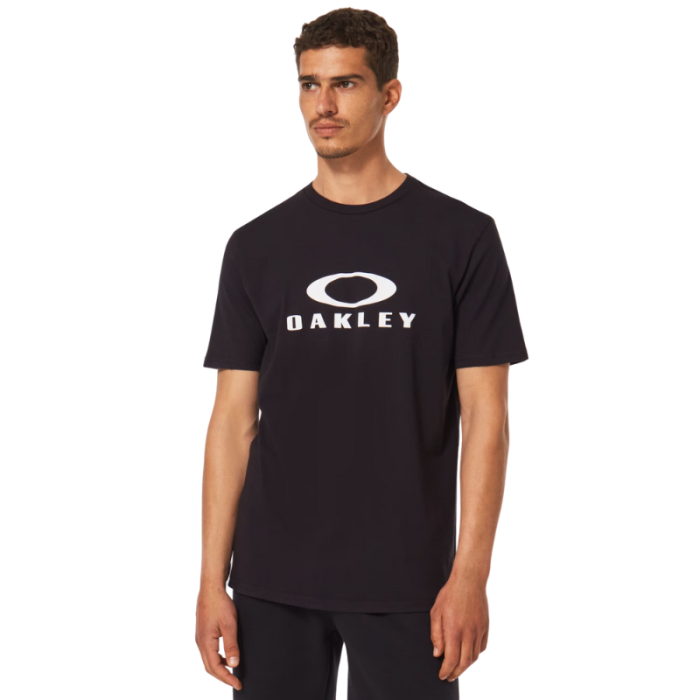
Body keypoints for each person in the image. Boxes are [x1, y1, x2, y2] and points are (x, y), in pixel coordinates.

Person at [195, 8, 528, 699]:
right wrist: (210, 581)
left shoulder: (462, 238)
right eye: (309, 84)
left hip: (410, 583)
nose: (324, 104)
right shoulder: (256, 247)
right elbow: (232, 421)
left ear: (389, 94)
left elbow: (487, 420)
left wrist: (471, 574)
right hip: (270, 580)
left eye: (345, 83)